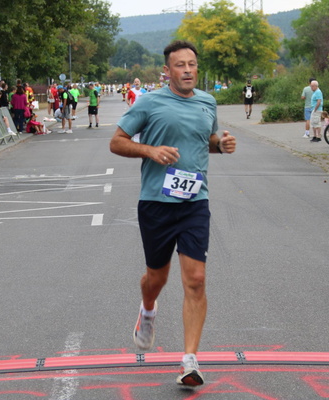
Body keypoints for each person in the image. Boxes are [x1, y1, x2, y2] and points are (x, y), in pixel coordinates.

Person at [110, 40, 236, 387]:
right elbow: (117, 141)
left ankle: (190, 360)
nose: (188, 70)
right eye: (180, 65)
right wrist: (149, 151)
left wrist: (221, 145)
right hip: (156, 203)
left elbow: (205, 140)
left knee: (196, 278)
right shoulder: (149, 102)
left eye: (192, 64)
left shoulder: (207, 102)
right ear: (167, 71)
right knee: (157, 278)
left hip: (195, 202)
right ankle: (148, 308)